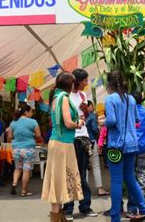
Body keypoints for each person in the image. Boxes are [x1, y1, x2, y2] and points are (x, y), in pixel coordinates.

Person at [98, 70, 145, 222]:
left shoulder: (110, 99)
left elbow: (112, 121)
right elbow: (136, 120)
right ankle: (144, 209)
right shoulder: (131, 99)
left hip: (116, 145)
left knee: (115, 180)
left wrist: (103, 121)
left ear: (109, 84)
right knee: (130, 177)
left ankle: (115, 217)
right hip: (132, 143)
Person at [41, 72, 84, 222]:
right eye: (73, 83)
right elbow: (68, 123)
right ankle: (56, 217)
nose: (74, 86)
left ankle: (57, 215)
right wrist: (78, 124)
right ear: (69, 84)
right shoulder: (64, 98)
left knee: (57, 178)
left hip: (57, 142)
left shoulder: (55, 97)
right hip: (63, 143)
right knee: (61, 178)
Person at [63, 69, 97, 220]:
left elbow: (85, 116)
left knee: (83, 173)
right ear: (77, 80)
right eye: (85, 81)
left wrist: (86, 112)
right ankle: (68, 208)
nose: (86, 83)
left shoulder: (83, 95)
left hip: (83, 137)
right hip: (71, 138)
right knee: (71, 173)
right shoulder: (65, 96)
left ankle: (85, 206)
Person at [126, 91, 145, 216]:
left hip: (130, 146)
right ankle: (142, 201)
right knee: (142, 173)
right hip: (142, 146)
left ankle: (132, 207)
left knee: (131, 176)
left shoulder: (128, 111)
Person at [8, 104, 41, 197]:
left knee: (18, 168)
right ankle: (24, 191)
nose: (32, 113)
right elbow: (38, 135)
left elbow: (10, 136)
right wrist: (32, 136)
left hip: (16, 149)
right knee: (26, 170)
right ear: (26, 112)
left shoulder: (13, 122)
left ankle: (14, 184)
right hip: (28, 149)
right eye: (31, 111)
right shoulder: (33, 122)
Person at [85, 101, 110, 196]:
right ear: (88, 107)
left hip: (81, 142)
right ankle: (100, 189)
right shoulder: (92, 116)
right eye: (91, 106)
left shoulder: (80, 116)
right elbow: (95, 129)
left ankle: (84, 188)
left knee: (84, 166)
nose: (93, 107)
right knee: (95, 166)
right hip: (91, 141)